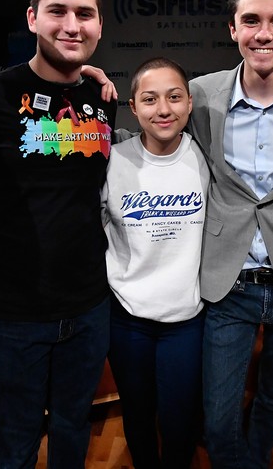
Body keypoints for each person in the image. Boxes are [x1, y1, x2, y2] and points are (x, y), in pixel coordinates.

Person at [0, 0, 116, 469]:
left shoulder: (101, 97)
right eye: (58, 11)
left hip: (89, 305)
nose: (72, 25)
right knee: (14, 436)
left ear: (99, 24)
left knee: (73, 428)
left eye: (85, 13)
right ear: (32, 18)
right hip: (13, 313)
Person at [185, 0, 273, 468]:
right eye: (252, 20)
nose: (265, 33)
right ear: (233, 28)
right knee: (218, 414)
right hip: (228, 282)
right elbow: (149, 137)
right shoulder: (199, 94)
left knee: (272, 399)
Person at [101, 57, 209, 468]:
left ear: (189, 103)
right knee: (138, 412)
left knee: (181, 418)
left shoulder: (208, 160)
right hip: (127, 317)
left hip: (187, 319)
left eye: (174, 97)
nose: (163, 109)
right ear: (133, 107)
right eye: (150, 99)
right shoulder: (113, 159)